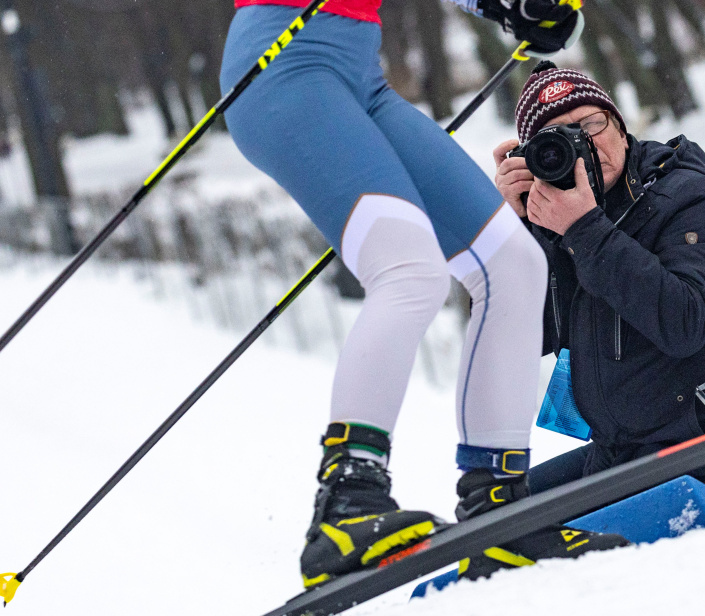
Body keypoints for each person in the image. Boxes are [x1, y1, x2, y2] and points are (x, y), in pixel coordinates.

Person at [219, 1, 626, 586]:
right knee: (410, 271)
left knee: (513, 263)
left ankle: (500, 509)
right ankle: (347, 502)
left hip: (359, 73)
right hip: (283, 62)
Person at [493, 62, 705, 512]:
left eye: (591, 124)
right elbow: (520, 341)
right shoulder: (555, 219)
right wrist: (512, 235)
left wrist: (585, 231)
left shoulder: (686, 198)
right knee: (498, 515)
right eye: (559, 137)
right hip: (632, 454)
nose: (584, 143)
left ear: (621, 128)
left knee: (539, 553)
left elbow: (684, 321)